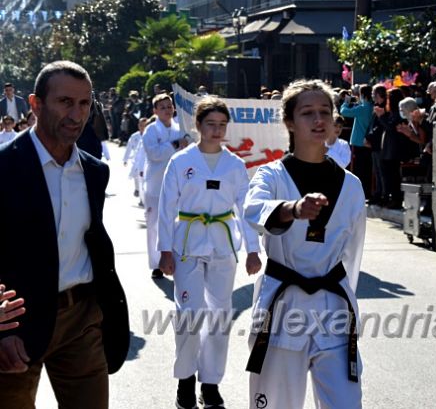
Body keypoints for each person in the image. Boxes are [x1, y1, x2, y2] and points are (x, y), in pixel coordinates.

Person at [0, 60, 129, 408]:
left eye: (85, 103)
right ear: (35, 104)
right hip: (17, 324)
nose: (76, 114)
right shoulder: (5, 168)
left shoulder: (94, 171)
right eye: (65, 102)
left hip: (82, 319)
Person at [244, 79, 366, 409]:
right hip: (282, 309)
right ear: (289, 122)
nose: (318, 120)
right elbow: (253, 211)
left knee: (345, 404)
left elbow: (353, 255)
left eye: (325, 111)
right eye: (308, 112)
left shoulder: (351, 186)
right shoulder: (271, 175)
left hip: (333, 311)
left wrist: (346, 296)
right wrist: (293, 209)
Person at [158, 97, 262, 409]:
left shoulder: (235, 165)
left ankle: (211, 382)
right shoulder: (181, 162)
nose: (216, 131)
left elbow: (245, 210)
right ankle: (186, 379)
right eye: (210, 124)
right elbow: (165, 209)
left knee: (219, 317)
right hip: (187, 244)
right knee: (189, 314)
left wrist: (253, 250)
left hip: (223, 246)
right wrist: (164, 251)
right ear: (198, 126)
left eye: (221, 125)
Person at [143, 93, 188, 278]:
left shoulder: (180, 128)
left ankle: (175, 259)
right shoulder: (151, 130)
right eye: (162, 107)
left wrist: (179, 143)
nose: (167, 110)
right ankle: (156, 263)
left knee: (177, 223)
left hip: (178, 184)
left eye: (169, 106)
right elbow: (154, 153)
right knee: (154, 225)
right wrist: (176, 144)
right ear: (155, 111)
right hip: (155, 185)